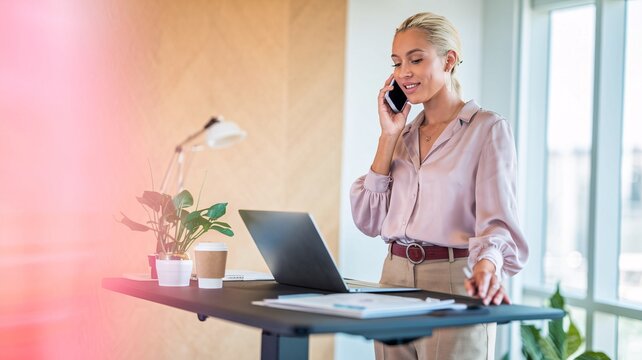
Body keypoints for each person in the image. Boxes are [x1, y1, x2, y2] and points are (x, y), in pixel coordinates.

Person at [350, 12, 528, 360]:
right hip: (393, 278)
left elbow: (498, 222)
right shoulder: (402, 134)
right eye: (397, 62)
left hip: (451, 279)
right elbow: (368, 221)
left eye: (416, 60)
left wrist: (487, 266)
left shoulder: (487, 129)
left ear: (448, 60)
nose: (404, 72)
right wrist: (388, 136)